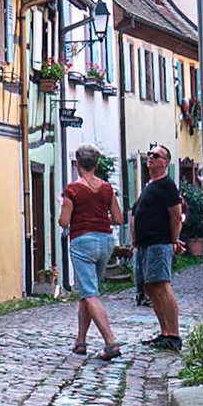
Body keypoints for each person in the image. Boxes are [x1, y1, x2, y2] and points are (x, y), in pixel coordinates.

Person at [58, 144, 124, 360]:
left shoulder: (72, 190)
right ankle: (81, 342)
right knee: (87, 292)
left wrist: (64, 205)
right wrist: (100, 217)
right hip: (105, 241)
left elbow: (64, 221)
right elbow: (118, 218)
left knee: (90, 293)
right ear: (96, 165)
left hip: (82, 242)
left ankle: (111, 342)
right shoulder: (106, 188)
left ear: (77, 164)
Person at [131, 143, 186, 350]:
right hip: (145, 245)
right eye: (150, 154)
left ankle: (174, 335)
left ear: (165, 162)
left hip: (159, 243)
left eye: (156, 155)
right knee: (150, 287)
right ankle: (164, 332)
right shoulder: (150, 185)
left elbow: (176, 216)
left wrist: (173, 241)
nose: (150, 158)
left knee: (162, 286)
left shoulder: (166, 185)